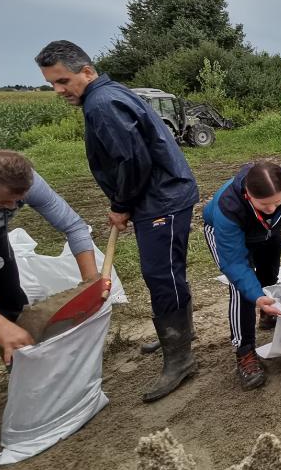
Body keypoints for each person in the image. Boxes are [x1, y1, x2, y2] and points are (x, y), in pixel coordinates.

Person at [35, 40, 200, 401]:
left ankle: (181, 357)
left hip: (161, 200)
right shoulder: (107, 94)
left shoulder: (102, 103)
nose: (59, 91)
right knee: (167, 272)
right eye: (52, 84)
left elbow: (131, 161)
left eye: (63, 81)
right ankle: (178, 336)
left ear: (87, 71)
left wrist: (122, 204)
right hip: (160, 196)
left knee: (162, 275)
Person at [203, 161, 281, 390]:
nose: (273, 208)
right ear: (248, 196)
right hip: (229, 234)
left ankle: (267, 313)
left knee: (268, 276)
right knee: (242, 288)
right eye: (265, 204)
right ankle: (244, 352)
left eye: (277, 202)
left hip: (267, 230)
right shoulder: (229, 206)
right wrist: (255, 295)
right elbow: (234, 263)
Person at [0, 150, 100, 366]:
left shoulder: (25, 181)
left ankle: (27, 378)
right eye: (4, 202)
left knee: (15, 320)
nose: (13, 207)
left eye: (18, 201)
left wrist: (91, 285)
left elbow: (74, 226)